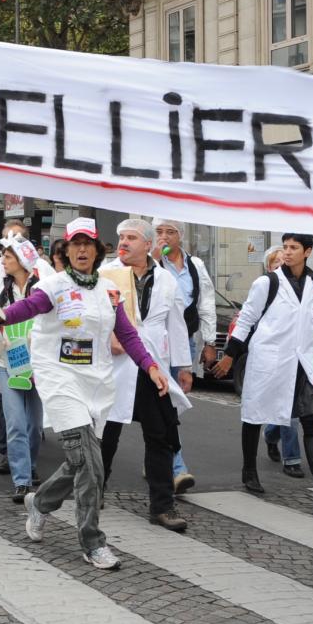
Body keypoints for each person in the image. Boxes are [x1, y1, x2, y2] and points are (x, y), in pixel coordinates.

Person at [0, 218, 170, 569]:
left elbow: (127, 334)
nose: (82, 250)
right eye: (75, 244)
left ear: (98, 251)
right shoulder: (54, 285)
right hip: (60, 378)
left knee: (80, 463)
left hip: (96, 384)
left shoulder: (110, 290)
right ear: (66, 251)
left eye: (88, 244)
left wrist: (151, 366)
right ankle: (92, 542)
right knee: (92, 466)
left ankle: (39, 503)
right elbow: (31, 306)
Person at [214, 233, 313, 510]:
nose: (287, 252)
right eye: (285, 247)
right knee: (255, 415)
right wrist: (230, 354)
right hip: (270, 359)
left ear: (307, 251)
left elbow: (312, 320)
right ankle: (249, 471)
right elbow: (247, 318)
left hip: (303, 361)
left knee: (311, 418)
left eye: (293, 248)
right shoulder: (268, 282)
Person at [99, 219, 193, 530]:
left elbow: (176, 325)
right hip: (116, 366)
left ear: (148, 244)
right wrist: (107, 339)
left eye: (131, 238)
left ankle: (162, 506)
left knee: (161, 436)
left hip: (154, 366)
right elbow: (89, 318)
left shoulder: (166, 279)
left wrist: (183, 367)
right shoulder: (105, 276)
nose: (123, 243)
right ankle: (94, 490)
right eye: (121, 237)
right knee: (105, 434)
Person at [152, 217, 216, 494]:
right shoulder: (151, 263)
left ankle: (158, 458)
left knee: (172, 405)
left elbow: (206, 303)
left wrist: (210, 341)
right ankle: (176, 467)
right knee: (164, 405)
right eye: (159, 232)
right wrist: (154, 261)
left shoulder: (195, 266)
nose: (164, 237)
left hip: (184, 340)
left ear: (180, 236)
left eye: (170, 232)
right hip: (155, 343)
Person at [0, 237, 44, 503]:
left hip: (39, 365)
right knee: (16, 422)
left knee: (35, 424)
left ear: (21, 261)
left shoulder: (44, 287)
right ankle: (22, 480)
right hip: (8, 363)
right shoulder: (0, 288)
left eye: (7, 257)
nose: (2, 262)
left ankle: (29, 467)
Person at [257, 245, 303, 477]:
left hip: (295, 358)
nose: (281, 268)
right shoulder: (265, 287)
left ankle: (291, 458)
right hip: (272, 357)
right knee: (283, 408)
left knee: (291, 411)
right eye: (276, 264)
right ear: (269, 268)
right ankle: (273, 436)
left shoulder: (301, 287)